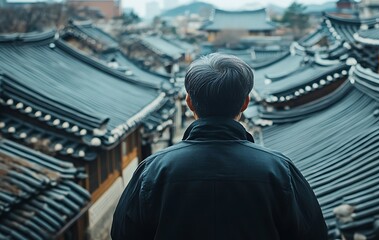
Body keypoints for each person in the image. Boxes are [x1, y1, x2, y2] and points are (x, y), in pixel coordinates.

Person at [111, 53, 328, 240]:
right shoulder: (279, 169)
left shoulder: (153, 170)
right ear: (245, 103)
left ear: (189, 103)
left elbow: (123, 234)